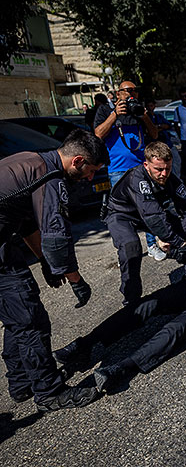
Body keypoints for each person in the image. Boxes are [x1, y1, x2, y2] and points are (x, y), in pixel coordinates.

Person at [53, 142, 186, 367]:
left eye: (167, 169)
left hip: (148, 214)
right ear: (146, 164)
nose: (163, 174)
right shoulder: (137, 179)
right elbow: (153, 219)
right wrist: (173, 240)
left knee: (183, 231)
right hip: (121, 214)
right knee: (131, 247)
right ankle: (132, 300)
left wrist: (183, 237)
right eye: (158, 169)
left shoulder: (171, 178)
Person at [0, 129, 108, 411]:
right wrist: (76, 279)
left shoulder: (30, 161)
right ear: (77, 161)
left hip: (3, 243)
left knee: (18, 314)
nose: (89, 179)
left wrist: (45, 262)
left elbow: (26, 225)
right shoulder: (50, 176)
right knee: (30, 319)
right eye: (90, 171)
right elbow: (55, 235)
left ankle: (23, 382)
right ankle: (49, 392)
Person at [91, 207, 186, 392]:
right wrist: (171, 251)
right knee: (148, 304)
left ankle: (122, 368)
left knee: (174, 329)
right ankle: (89, 342)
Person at [94, 80, 161, 261]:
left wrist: (145, 116)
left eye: (135, 91)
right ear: (118, 93)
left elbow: (154, 135)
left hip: (141, 167)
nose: (132, 94)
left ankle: (152, 244)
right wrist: (114, 115)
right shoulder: (105, 111)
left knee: (147, 205)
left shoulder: (138, 109)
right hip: (117, 170)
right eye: (128, 91)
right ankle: (128, 247)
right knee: (122, 211)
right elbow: (98, 134)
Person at [145, 98, 181, 182]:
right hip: (156, 147)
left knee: (176, 163)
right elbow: (150, 131)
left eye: (152, 106)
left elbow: (167, 125)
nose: (150, 108)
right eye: (148, 106)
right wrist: (158, 128)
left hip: (167, 144)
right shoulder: (147, 118)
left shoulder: (159, 116)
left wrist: (159, 126)